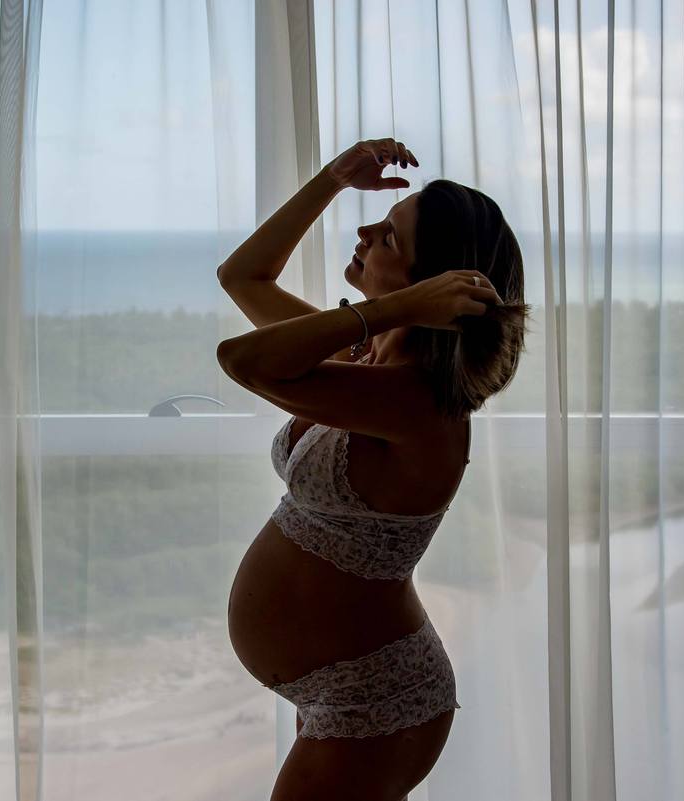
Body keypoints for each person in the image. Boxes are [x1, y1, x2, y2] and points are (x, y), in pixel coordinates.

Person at [218, 138, 530, 801]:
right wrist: (331, 179)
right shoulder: (366, 364)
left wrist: (393, 310)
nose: (364, 233)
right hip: (345, 689)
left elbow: (242, 360)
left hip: (375, 700)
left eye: (388, 237)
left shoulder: (419, 403)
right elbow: (242, 278)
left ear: (430, 286)